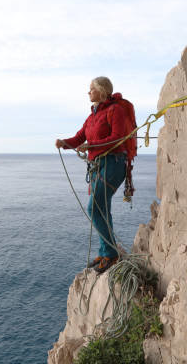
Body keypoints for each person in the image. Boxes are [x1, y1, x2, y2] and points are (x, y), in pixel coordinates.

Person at [55, 76, 130, 274]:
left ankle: (111, 254)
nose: (88, 92)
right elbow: (80, 137)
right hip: (99, 165)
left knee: (94, 208)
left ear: (102, 90)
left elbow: (118, 137)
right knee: (102, 209)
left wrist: (92, 145)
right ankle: (105, 251)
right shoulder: (92, 116)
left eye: (91, 89)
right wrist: (64, 142)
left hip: (113, 163)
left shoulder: (115, 111)